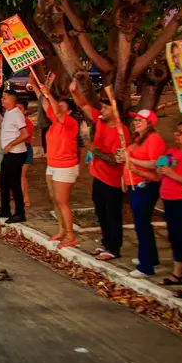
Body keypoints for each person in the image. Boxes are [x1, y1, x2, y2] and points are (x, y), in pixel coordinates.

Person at [141, 122, 182, 298]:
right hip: (169, 201)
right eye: (176, 131)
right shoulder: (172, 152)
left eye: (181, 132)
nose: (176, 134)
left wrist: (173, 175)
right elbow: (160, 169)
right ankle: (178, 273)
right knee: (174, 238)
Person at [70, 80, 129, 261]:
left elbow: (114, 160)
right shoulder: (101, 121)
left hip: (112, 180)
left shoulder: (122, 133)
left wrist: (92, 148)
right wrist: (74, 91)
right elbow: (84, 105)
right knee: (101, 212)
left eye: (105, 108)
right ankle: (105, 242)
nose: (101, 111)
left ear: (115, 111)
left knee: (112, 214)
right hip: (98, 176)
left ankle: (114, 247)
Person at [30, 75, 80, 248]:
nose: (57, 108)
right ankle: (62, 230)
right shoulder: (54, 121)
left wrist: (49, 94)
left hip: (65, 166)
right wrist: (37, 86)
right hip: (52, 165)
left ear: (69, 111)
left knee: (62, 201)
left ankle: (71, 236)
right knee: (54, 199)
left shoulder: (70, 123)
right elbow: (44, 102)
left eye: (61, 106)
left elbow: (55, 109)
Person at [119, 109, 167, 277]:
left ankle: (146, 266)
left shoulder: (154, 140)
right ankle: (150, 258)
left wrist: (131, 160)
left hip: (146, 185)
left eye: (140, 120)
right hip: (134, 183)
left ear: (150, 123)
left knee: (142, 225)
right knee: (142, 224)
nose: (136, 122)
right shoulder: (139, 139)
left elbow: (155, 164)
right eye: (136, 120)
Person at [0, 90, 29, 223]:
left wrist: (10, 145)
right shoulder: (8, 113)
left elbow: (25, 134)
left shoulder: (16, 114)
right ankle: (5, 209)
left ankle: (20, 212)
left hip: (16, 153)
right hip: (9, 154)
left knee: (14, 183)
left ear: (12, 100)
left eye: (4, 98)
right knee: (3, 181)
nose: (2, 100)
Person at [16, 100, 34, 208]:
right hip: (15, 150)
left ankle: (25, 198)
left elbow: (25, 138)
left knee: (21, 175)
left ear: (25, 111)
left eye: (20, 109)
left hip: (24, 150)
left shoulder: (28, 124)